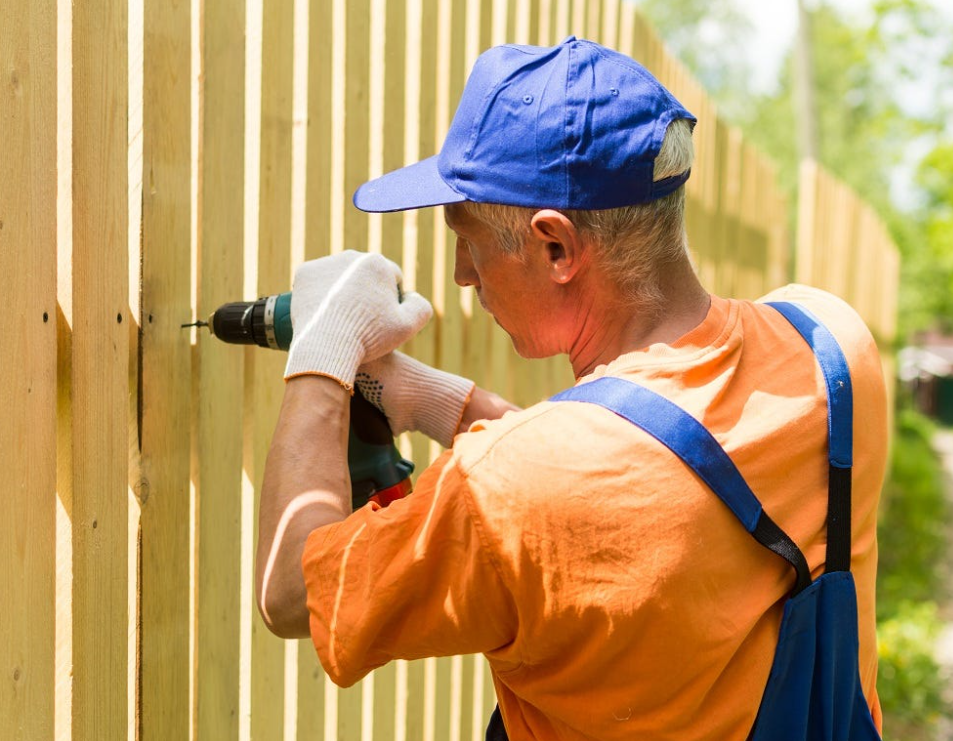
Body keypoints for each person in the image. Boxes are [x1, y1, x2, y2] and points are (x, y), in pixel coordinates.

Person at [254, 37, 886, 740]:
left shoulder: (512, 488)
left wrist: (324, 349)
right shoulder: (831, 346)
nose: (463, 273)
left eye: (466, 238)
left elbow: (289, 591)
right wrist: (440, 401)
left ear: (554, 245)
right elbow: (642, 490)